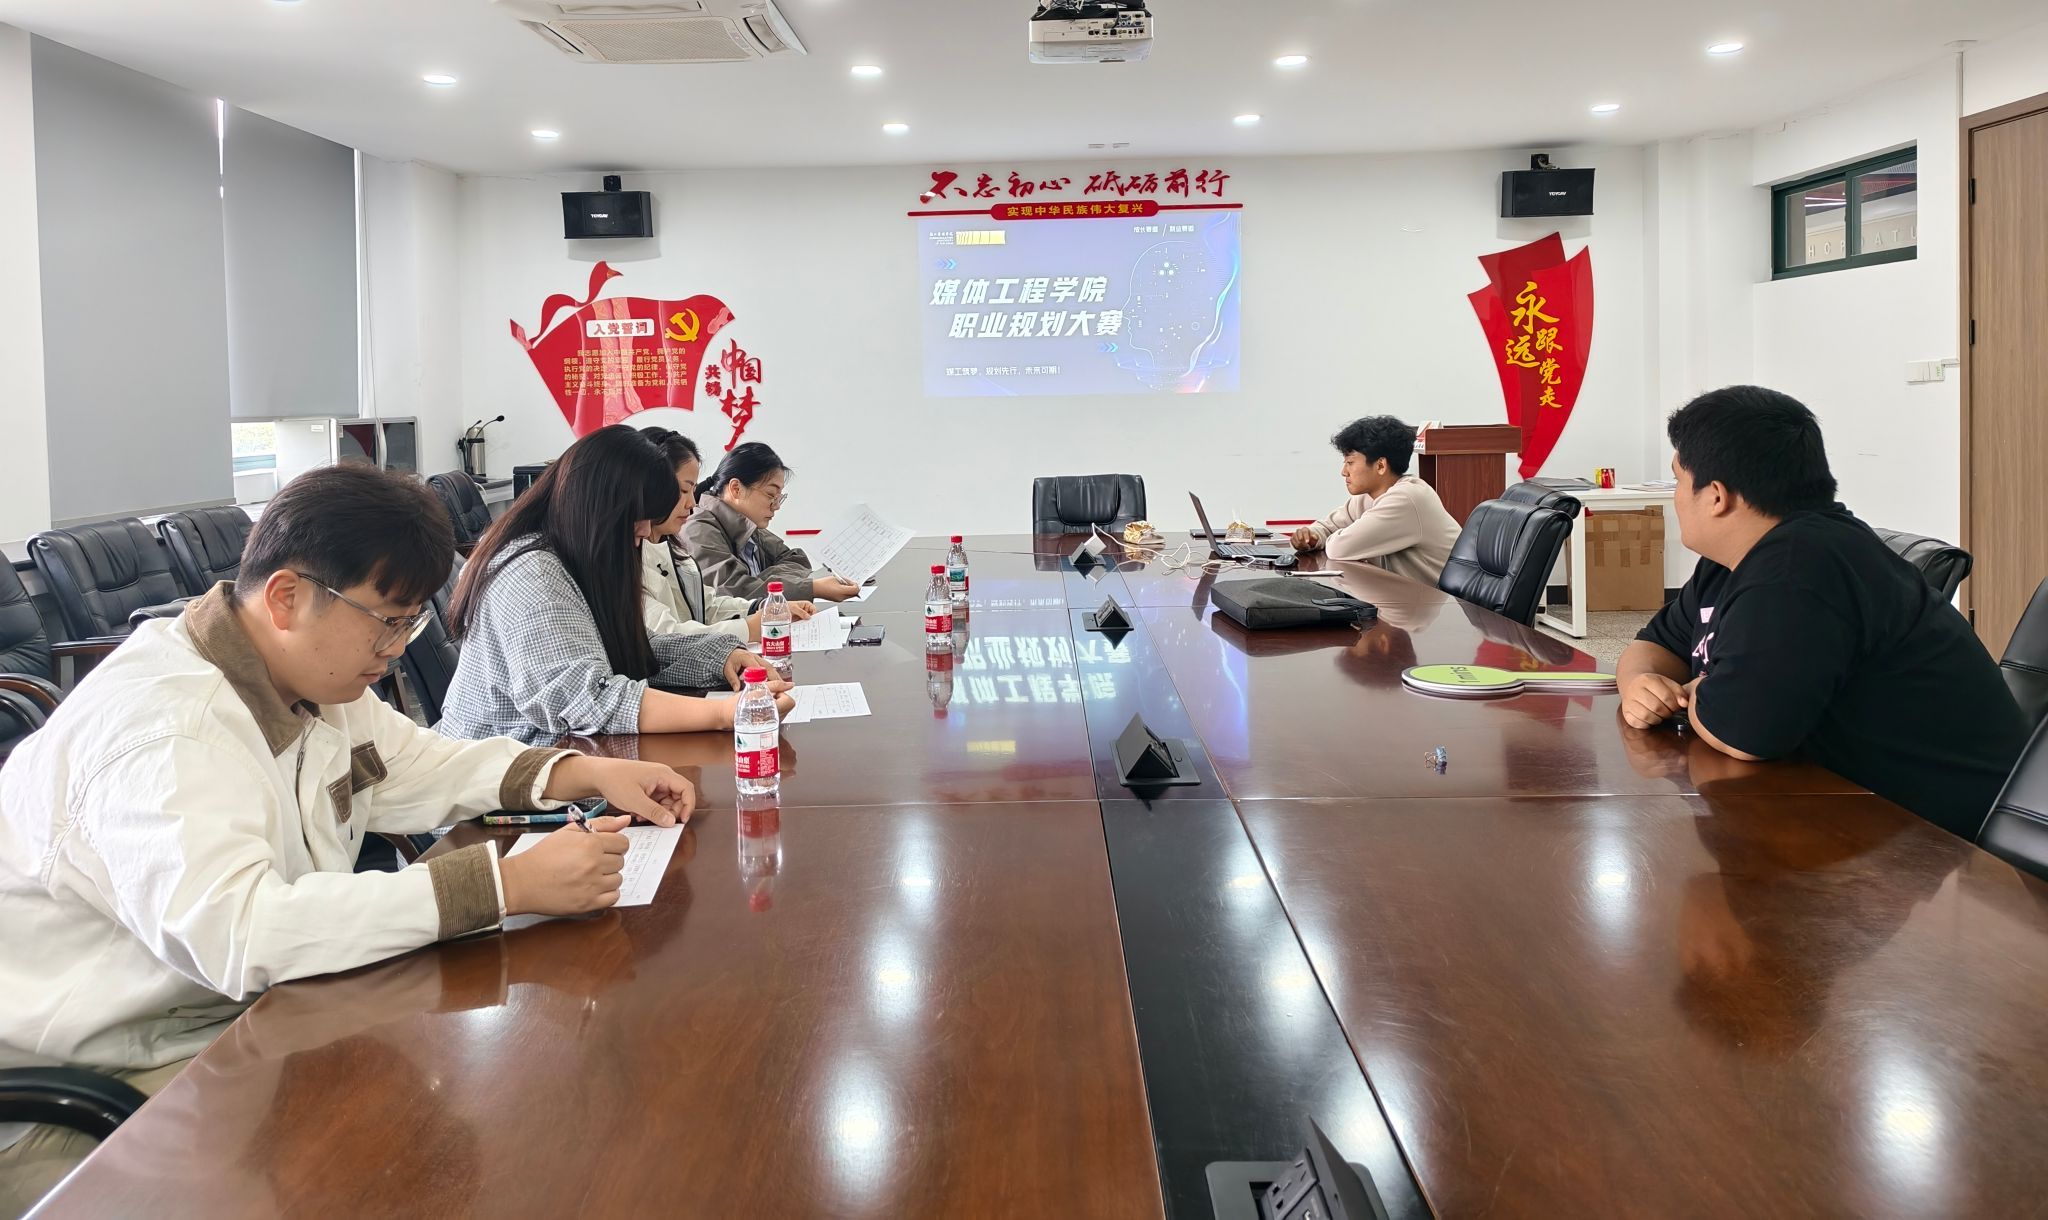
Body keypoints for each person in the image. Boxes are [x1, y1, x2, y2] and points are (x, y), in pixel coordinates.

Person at [0, 464, 700, 1214]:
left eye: (410, 623)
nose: (397, 648)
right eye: (387, 621)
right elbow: (244, 932)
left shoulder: (301, 674)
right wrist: (505, 885)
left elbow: (415, 763)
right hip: (104, 1081)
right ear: (286, 598)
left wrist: (580, 772)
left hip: (242, 1020)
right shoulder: (166, 732)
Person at [1618, 385, 2030, 838]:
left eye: (1678, 480)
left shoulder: (1801, 564)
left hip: (1945, 843)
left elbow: (1743, 733)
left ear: (1716, 496)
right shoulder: (1732, 561)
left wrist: (1699, 691)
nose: (1676, 496)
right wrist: (1641, 683)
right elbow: (1653, 645)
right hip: (1847, 813)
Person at [437, 425, 791, 746]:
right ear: (603, 508)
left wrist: (720, 656)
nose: (645, 531)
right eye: (640, 517)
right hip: (500, 782)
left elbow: (637, 647)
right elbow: (587, 699)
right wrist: (725, 713)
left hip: (567, 759)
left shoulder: (579, 559)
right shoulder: (533, 573)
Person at [637, 427, 818, 640]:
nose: (692, 502)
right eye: (684, 490)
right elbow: (668, 634)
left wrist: (762, 606)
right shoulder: (696, 530)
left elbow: (708, 605)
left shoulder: (672, 545)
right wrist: (751, 625)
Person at [1289, 415, 1462, 586]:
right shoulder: (1368, 496)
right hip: (1409, 595)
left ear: (1380, 466)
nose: (1344, 472)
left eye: (1350, 462)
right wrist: (1312, 537)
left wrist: (1331, 537)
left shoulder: (1407, 498)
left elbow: (1339, 549)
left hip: (1444, 601)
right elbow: (1328, 526)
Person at [681, 442, 862, 603]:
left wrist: (764, 582)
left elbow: (796, 559)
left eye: (778, 497)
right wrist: (811, 588)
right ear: (736, 489)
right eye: (770, 495)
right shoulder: (697, 529)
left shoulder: (749, 527)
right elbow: (735, 594)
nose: (776, 506)